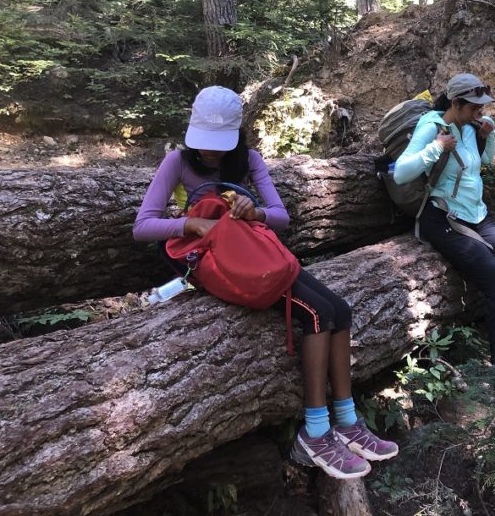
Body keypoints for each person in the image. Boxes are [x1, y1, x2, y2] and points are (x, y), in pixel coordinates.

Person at [133, 85, 397, 480]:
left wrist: (254, 211)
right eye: (204, 143)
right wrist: (191, 222)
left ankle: (346, 419)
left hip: (252, 253)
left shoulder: (250, 159)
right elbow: (144, 226)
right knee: (317, 315)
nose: (210, 152)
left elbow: (280, 216)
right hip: (214, 263)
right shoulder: (178, 161)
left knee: (340, 309)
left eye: (218, 144)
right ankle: (315, 431)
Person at [394, 74, 495, 371]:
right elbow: (401, 172)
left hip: (477, 216)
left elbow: (482, 162)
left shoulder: (469, 126)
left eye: (482, 106)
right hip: (442, 218)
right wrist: (436, 147)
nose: (481, 111)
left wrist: (489, 135)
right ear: (456, 103)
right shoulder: (432, 126)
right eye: (475, 107)